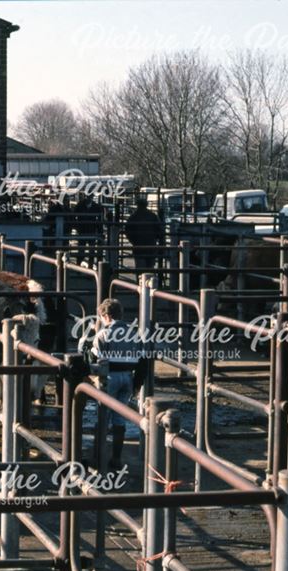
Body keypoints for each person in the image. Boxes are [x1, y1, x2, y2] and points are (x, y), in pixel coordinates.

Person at [89, 298, 147, 470]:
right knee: (119, 418)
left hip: (110, 378)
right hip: (128, 377)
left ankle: (99, 457)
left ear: (106, 316)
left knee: (103, 416)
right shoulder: (133, 334)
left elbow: (93, 358)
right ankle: (116, 458)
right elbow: (143, 361)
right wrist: (137, 384)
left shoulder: (103, 335)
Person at [124, 198, 164, 275]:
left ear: (137, 205)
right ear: (146, 205)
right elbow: (159, 231)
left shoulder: (133, 217)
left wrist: (133, 241)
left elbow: (127, 231)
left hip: (139, 246)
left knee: (140, 269)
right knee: (150, 268)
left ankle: (140, 284)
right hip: (151, 245)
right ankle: (150, 283)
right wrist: (156, 239)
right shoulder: (152, 216)